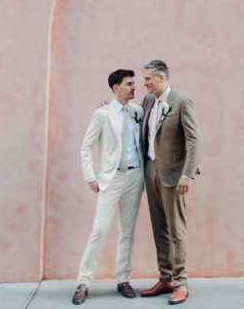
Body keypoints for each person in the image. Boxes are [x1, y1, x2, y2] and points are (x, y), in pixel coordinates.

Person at [72, 69, 146, 305]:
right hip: (110, 179)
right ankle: (83, 282)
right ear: (116, 88)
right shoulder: (102, 114)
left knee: (128, 231)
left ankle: (123, 280)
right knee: (100, 229)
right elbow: (86, 147)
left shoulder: (138, 111)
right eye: (129, 84)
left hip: (135, 177)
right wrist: (90, 177)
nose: (134, 88)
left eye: (134, 83)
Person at [139, 60, 202, 306]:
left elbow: (195, 140)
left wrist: (187, 174)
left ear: (162, 78)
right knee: (159, 229)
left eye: (148, 79)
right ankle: (166, 278)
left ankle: (181, 282)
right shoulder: (147, 101)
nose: (144, 83)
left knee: (176, 230)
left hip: (174, 175)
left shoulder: (182, 102)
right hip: (150, 171)